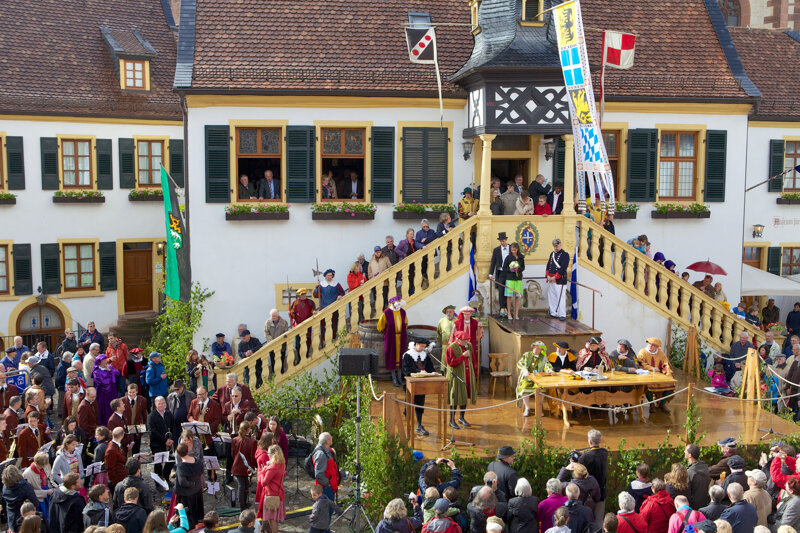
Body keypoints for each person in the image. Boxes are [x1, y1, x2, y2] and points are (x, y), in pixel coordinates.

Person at [402, 337, 436, 435]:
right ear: (416, 344)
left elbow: (430, 367)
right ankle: (408, 427)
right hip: (410, 384)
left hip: (422, 384)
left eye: (424, 347)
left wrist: (432, 372)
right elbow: (406, 370)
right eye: (421, 346)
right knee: (409, 404)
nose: (422, 348)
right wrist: (419, 371)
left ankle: (419, 426)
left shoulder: (425, 355)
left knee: (420, 404)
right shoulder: (407, 355)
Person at [445, 331, 476, 429]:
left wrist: (473, 371)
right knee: (455, 397)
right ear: (458, 339)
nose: (466, 341)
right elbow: (450, 363)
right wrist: (463, 356)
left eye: (467, 339)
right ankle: (451, 420)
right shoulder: (451, 348)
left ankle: (461, 418)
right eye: (464, 340)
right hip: (456, 375)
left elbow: (472, 359)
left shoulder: (469, 346)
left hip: (467, 374)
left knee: (464, 396)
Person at [577, 429, 609, 526]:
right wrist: (583, 453)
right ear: (599, 441)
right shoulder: (604, 453)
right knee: (599, 520)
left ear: (589, 441)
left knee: (587, 521)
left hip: (589, 494)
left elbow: (578, 473)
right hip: (601, 492)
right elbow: (594, 453)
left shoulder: (584, 458)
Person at [636, 337, 674, 413]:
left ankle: (662, 404)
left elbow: (666, 364)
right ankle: (652, 404)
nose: (650, 346)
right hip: (646, 375)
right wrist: (652, 368)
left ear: (657, 347)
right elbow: (641, 364)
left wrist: (668, 374)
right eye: (650, 344)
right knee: (648, 386)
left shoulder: (660, 353)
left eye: (653, 345)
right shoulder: (642, 352)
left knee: (671, 385)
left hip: (659, 376)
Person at [377, 296, 408, 387]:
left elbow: (405, 324)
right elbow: (380, 326)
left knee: (400, 357)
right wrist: (387, 333)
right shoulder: (386, 313)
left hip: (401, 337)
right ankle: (394, 378)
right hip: (391, 338)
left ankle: (399, 377)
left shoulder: (402, 312)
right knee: (391, 357)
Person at [516, 341, 553, 416]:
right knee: (524, 388)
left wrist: (550, 370)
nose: (536, 349)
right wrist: (525, 370)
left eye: (538, 348)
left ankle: (539, 409)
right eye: (535, 347)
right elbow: (520, 363)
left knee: (541, 389)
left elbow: (547, 365)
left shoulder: (543, 357)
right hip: (527, 378)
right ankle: (527, 408)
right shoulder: (527, 355)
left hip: (538, 379)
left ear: (541, 350)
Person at [174, 442, 204, 528]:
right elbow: (201, 471)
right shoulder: (197, 461)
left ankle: (189, 527)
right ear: (188, 451)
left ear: (179, 454)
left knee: (188, 515)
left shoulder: (180, 467)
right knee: (196, 512)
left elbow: (182, 482)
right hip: (197, 491)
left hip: (186, 495)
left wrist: (191, 483)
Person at [258, 444, 286, 533]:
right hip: (279, 493)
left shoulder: (272, 467)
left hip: (271, 495)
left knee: (272, 519)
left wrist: (262, 471)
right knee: (273, 519)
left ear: (274, 454)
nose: (267, 455)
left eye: (268, 453)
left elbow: (263, 483)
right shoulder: (281, 464)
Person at [147, 396, 174, 484]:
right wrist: (164, 440)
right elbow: (153, 431)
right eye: (159, 404)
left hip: (169, 443)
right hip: (157, 444)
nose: (161, 405)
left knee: (171, 461)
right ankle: (158, 482)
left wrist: (172, 439)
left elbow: (173, 427)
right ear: (155, 405)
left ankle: (166, 477)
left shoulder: (168, 414)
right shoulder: (151, 416)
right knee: (158, 464)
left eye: (163, 403)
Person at [231, 421, 257, 510]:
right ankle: (242, 506)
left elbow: (233, 453)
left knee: (244, 485)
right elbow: (253, 456)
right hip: (246, 467)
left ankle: (244, 503)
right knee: (242, 486)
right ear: (248, 430)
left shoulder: (235, 440)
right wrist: (254, 467)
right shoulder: (252, 441)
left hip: (237, 465)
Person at [312, 432, 341, 509]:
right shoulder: (321, 454)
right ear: (327, 441)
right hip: (325, 488)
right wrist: (328, 484)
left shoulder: (327, 450)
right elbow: (318, 474)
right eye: (330, 437)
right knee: (326, 512)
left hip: (327, 487)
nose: (332, 438)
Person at [545, 238, 569, 321]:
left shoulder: (565, 254)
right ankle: (553, 312)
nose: (556, 248)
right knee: (552, 296)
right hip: (551, 279)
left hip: (559, 280)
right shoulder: (552, 254)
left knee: (560, 297)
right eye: (554, 246)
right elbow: (548, 265)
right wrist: (548, 276)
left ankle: (562, 314)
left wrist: (555, 277)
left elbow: (563, 268)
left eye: (557, 246)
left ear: (560, 245)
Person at [123, 382, 148, 454]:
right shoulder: (122, 400)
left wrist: (144, 426)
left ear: (137, 391)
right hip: (127, 427)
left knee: (137, 447)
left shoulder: (142, 400)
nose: (131, 394)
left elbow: (144, 414)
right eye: (130, 392)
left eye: (133, 392)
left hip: (138, 426)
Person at [489, 232, 511, 316]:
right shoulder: (496, 250)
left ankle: (508, 310)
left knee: (508, 291)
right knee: (501, 291)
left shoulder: (511, 248)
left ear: (506, 240)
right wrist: (491, 273)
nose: (502, 242)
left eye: (503, 241)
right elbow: (493, 262)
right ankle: (502, 310)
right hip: (501, 273)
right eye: (500, 241)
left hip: (509, 273)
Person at [502, 243, 525, 320]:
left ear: (517, 249)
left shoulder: (521, 257)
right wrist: (511, 270)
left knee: (517, 297)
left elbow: (523, 267)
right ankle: (509, 313)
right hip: (510, 279)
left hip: (518, 279)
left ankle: (516, 314)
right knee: (509, 297)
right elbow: (504, 268)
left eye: (515, 250)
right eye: (512, 250)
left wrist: (518, 269)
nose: (513, 251)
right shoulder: (508, 257)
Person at [685, 444, 711, 509]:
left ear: (690, 455)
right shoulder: (705, 468)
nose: (684, 452)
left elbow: (687, 490)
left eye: (685, 451)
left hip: (693, 507)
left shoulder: (690, 472)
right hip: (705, 504)